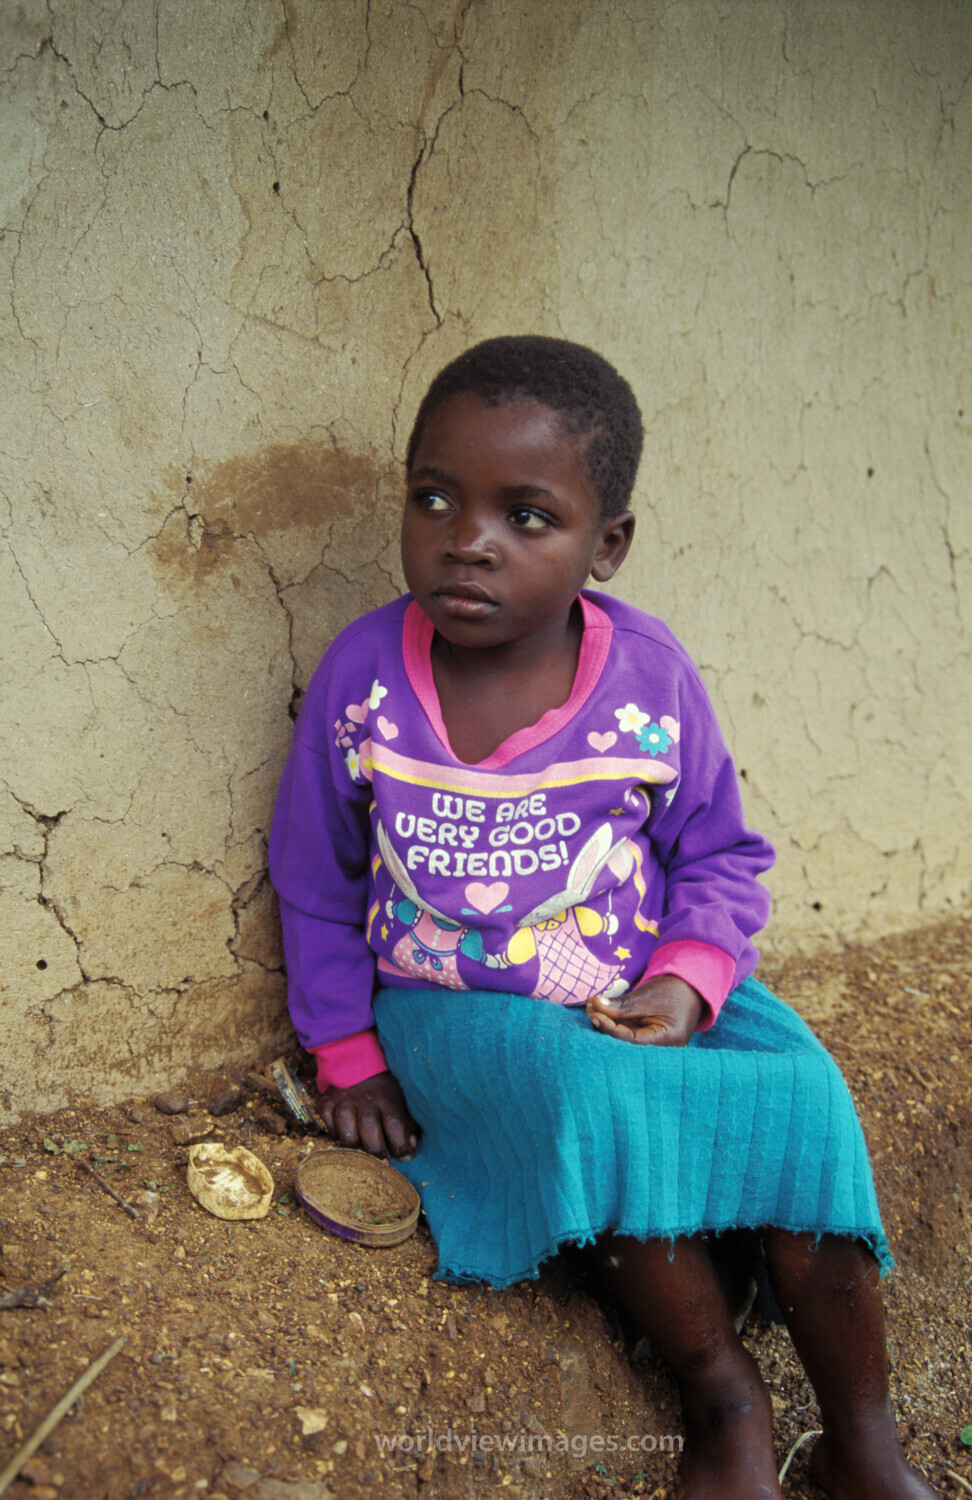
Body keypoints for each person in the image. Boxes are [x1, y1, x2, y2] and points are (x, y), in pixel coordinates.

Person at [269, 336, 937, 1499]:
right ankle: (724, 1400)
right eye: (435, 497)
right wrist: (347, 1051)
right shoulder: (365, 678)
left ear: (605, 545)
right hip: (465, 1014)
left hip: (641, 990)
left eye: (527, 516)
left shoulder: (651, 680)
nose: (467, 538)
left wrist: (686, 982)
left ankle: (863, 1443)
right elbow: (315, 879)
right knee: (596, 1098)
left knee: (808, 1093)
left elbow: (723, 857)